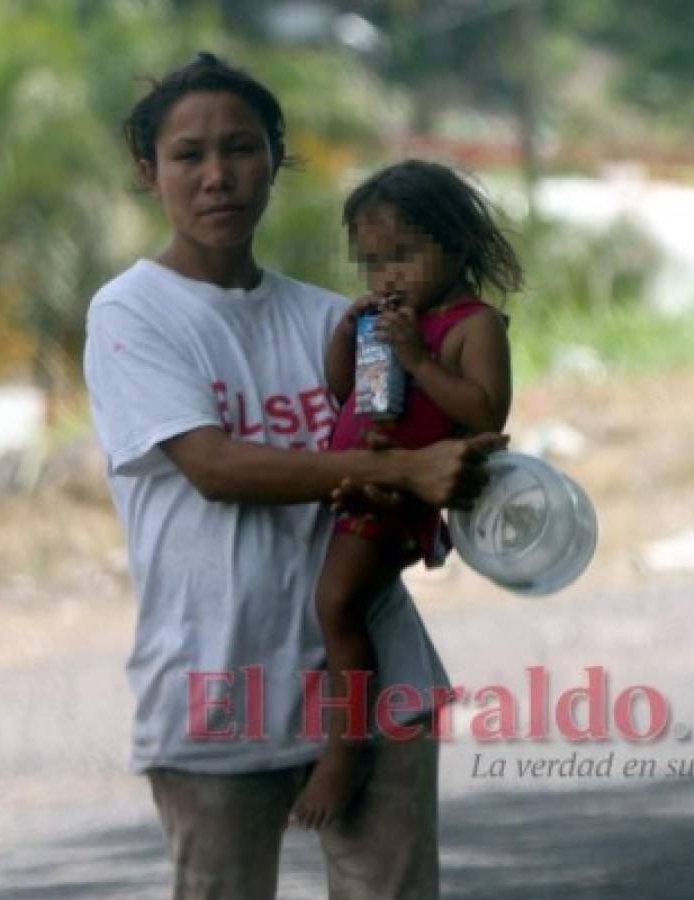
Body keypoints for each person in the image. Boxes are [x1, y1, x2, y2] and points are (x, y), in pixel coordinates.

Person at [83, 53, 504, 900]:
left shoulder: (337, 319)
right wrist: (402, 470)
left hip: (375, 674)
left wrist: (452, 477)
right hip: (220, 681)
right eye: (187, 155)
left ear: (276, 158)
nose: (216, 177)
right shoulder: (131, 313)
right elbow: (212, 466)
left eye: (239, 149)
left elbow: (433, 427)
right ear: (148, 172)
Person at [291, 160, 521, 829]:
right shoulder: (390, 322)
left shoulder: (472, 327)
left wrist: (418, 359)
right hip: (361, 481)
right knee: (335, 606)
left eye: (403, 256)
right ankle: (343, 736)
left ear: (455, 244)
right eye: (370, 265)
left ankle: (347, 746)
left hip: (399, 498)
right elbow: (344, 394)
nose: (386, 278)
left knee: (336, 606)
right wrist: (347, 335)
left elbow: (483, 414)